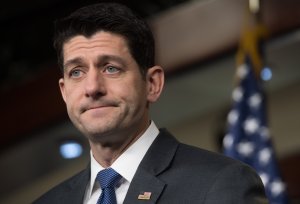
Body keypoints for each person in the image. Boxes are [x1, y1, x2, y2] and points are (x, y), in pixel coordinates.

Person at [34, 2, 267, 204]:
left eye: (111, 68)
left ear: (152, 84)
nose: (93, 87)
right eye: (76, 72)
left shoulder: (223, 183)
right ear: (64, 92)